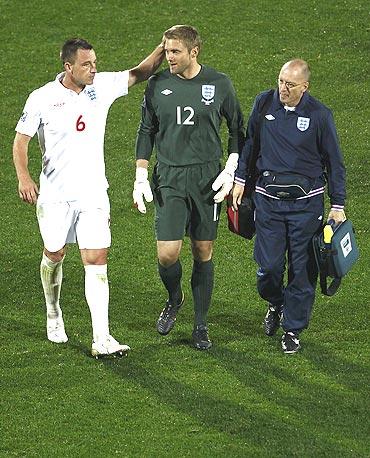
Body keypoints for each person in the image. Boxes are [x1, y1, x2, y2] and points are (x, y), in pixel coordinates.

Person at [13, 37, 164, 357]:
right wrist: (24, 177)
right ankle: (53, 313)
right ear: (68, 67)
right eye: (86, 64)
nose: (94, 69)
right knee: (54, 253)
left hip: (94, 194)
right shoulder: (42, 97)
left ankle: (102, 338)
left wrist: (164, 46)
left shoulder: (102, 85)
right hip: (54, 195)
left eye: (95, 62)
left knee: (96, 262)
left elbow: (142, 72)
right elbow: (21, 142)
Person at [133, 25, 244, 350]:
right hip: (169, 177)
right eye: (166, 51)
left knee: (202, 251)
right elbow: (146, 130)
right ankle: (174, 297)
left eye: (175, 52)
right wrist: (141, 173)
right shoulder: (157, 84)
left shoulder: (219, 83)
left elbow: (238, 129)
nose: (169, 57)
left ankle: (200, 324)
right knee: (167, 254)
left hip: (207, 179)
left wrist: (232, 167)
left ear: (194, 52)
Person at [232, 59, 346, 354]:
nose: (283, 88)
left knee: (302, 270)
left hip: (306, 207)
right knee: (268, 268)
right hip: (268, 203)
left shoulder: (320, 115)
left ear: (304, 87)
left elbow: (335, 162)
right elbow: (250, 143)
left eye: (290, 84)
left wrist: (338, 204)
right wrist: (241, 178)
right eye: (281, 81)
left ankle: (292, 329)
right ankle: (276, 301)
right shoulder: (264, 102)